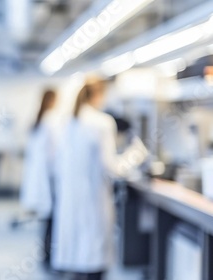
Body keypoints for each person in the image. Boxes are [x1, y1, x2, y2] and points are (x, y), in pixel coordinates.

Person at [51, 79, 147, 279]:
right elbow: (113, 169)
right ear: (99, 94)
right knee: (93, 260)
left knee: (77, 261)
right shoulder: (101, 122)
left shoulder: (67, 121)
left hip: (70, 201)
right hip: (93, 203)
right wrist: (136, 154)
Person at [20, 89, 58, 266]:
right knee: (50, 220)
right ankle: (48, 256)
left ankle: (46, 255)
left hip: (41, 177)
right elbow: (53, 154)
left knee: (47, 219)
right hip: (48, 178)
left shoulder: (38, 120)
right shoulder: (50, 121)